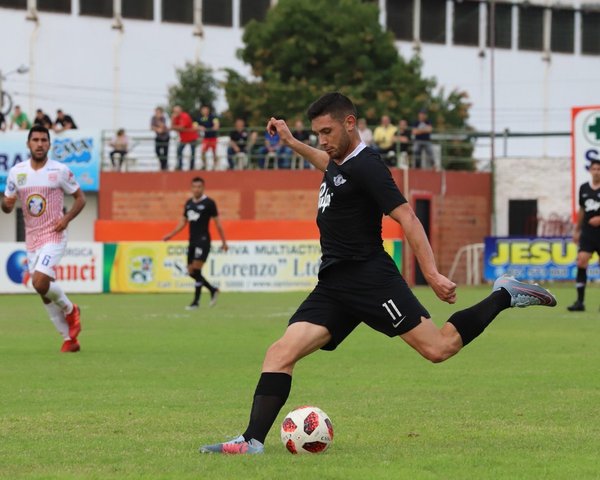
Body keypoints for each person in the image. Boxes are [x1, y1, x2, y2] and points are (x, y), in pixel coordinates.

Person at [199, 92, 557, 455]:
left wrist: (431, 273)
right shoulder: (338, 160)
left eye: (327, 131)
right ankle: (251, 441)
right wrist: (292, 142)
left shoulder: (367, 165)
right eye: (317, 132)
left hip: (371, 279)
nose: (322, 140)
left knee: (439, 348)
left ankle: (505, 294)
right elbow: (325, 161)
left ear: (350, 123)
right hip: (334, 284)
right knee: (280, 352)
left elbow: (408, 217)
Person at [1, 125, 85, 353]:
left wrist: (66, 219)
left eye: (43, 140)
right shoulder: (17, 172)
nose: (39, 143)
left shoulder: (59, 171)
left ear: (49, 144)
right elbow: (7, 205)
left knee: (38, 282)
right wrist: (6, 204)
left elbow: (80, 199)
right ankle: (69, 339)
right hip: (32, 238)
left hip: (55, 235)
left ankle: (70, 310)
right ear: (28, 144)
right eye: (35, 140)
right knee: (42, 290)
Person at [163, 177, 228, 310]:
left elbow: (218, 224)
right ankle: (212, 289)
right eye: (194, 187)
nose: (197, 189)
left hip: (203, 240)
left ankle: (196, 302)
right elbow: (182, 222)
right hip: (192, 241)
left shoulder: (209, 203)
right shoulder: (189, 204)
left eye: (199, 187)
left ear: (203, 188)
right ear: (191, 188)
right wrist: (171, 235)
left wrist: (224, 242)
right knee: (191, 272)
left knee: (197, 269)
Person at [567, 158, 600, 312]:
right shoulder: (584, 188)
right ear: (590, 170)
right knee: (581, 262)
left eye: (599, 169)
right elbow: (581, 210)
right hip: (587, 232)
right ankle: (580, 302)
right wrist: (577, 229)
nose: (596, 172)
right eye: (594, 169)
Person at [171, 105, 198, 171]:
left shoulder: (185, 116)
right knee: (179, 151)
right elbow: (172, 127)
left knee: (192, 153)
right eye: (174, 111)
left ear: (180, 110)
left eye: (177, 111)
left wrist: (175, 127)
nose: (175, 112)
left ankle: (191, 167)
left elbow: (181, 127)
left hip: (192, 136)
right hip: (183, 138)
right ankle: (180, 166)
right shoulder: (176, 118)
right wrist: (172, 119)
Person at [196, 105, 220, 170]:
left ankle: (215, 165)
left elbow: (216, 125)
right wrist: (200, 127)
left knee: (214, 152)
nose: (205, 111)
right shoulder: (199, 118)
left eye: (206, 109)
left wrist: (214, 127)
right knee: (203, 152)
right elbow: (194, 126)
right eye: (203, 110)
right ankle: (204, 164)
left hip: (213, 137)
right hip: (205, 138)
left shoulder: (213, 117)